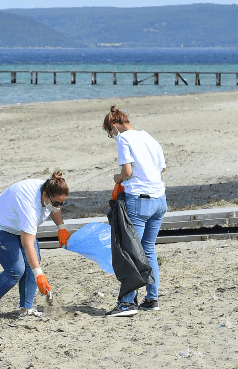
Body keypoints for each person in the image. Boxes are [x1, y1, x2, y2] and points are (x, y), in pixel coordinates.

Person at [0, 172, 72, 322]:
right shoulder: (30, 205)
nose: (58, 207)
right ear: (46, 196)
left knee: (32, 263)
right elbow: (27, 243)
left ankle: (26, 309)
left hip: (16, 225)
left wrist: (61, 227)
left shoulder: (50, 191)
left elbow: (54, 208)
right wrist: (39, 275)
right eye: (55, 203)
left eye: (62, 203)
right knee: (16, 270)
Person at [102, 106, 167, 317]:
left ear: (114, 126)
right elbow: (161, 168)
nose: (111, 137)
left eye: (109, 133)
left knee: (130, 250)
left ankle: (127, 303)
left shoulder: (124, 139)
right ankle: (152, 298)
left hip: (139, 199)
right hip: (160, 198)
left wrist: (118, 179)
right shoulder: (148, 136)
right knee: (148, 249)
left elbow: (127, 171)